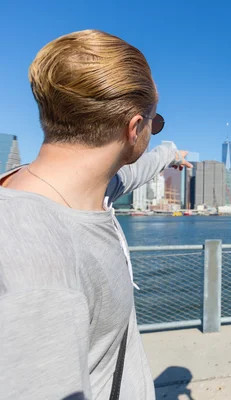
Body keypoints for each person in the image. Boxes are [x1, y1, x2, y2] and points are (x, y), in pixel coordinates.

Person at [0, 30, 191, 399]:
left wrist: (169, 153)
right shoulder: (44, 273)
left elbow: (137, 170)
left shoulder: (75, 190)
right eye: (156, 122)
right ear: (134, 128)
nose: (154, 131)